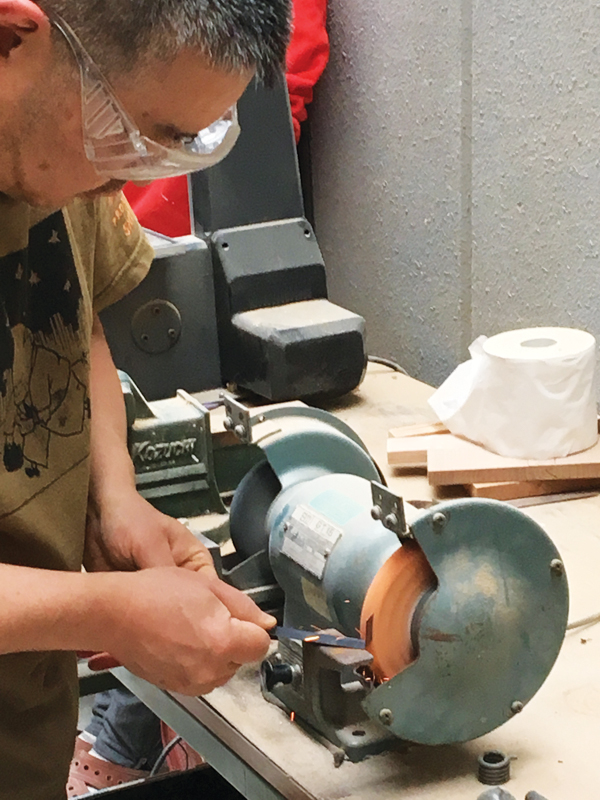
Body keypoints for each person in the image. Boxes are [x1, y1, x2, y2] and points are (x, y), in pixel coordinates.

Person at [0, 1, 291, 798]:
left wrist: (114, 497)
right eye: (128, 136)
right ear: (11, 37)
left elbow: (71, 314)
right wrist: (109, 611)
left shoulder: (56, 158)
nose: (127, 180)